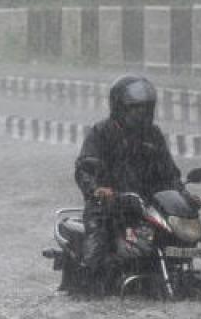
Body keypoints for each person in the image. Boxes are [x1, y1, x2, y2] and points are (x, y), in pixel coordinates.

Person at [73, 75, 185, 290]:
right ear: (119, 107)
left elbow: (169, 172)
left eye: (146, 108)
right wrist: (97, 189)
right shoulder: (101, 133)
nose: (141, 114)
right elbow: (85, 168)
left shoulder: (153, 135)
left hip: (147, 207)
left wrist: (183, 195)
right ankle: (90, 289)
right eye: (135, 108)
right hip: (108, 207)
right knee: (96, 250)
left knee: (179, 239)